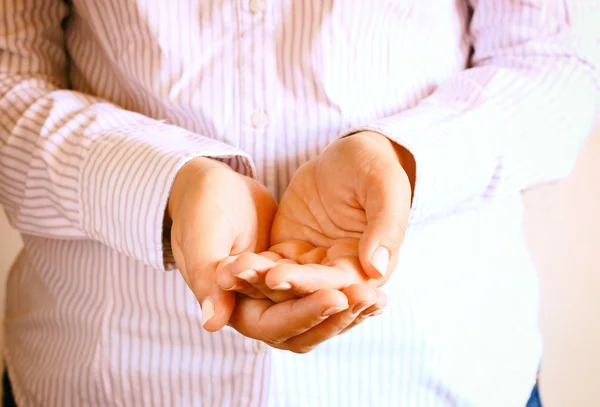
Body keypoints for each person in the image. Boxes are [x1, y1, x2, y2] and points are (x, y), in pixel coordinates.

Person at [0, 0, 598, 406]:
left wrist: (406, 160)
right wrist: (167, 181)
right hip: (102, 377)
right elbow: (9, 81)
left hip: (442, 375)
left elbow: (556, 63)